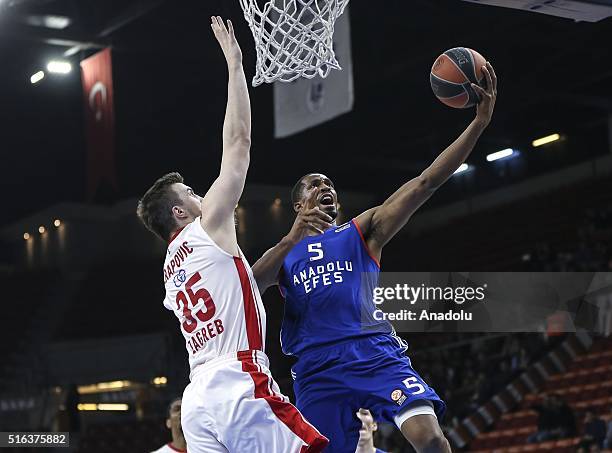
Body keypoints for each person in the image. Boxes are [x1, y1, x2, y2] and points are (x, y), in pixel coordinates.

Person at [253, 63, 497, 452]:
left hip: (371, 352)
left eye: (330, 184)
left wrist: (478, 125)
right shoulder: (285, 252)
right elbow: (249, 285)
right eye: (316, 185)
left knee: (431, 440)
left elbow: (425, 183)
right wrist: (290, 238)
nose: (326, 187)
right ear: (299, 203)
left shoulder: (360, 231)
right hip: (317, 370)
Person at [136, 16, 329, 453]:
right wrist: (236, 64)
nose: (202, 193)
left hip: (197, 399)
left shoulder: (171, 269)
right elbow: (238, 142)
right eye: (191, 192)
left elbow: (243, 286)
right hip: (239, 381)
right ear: (181, 211)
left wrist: (290, 240)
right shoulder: (207, 227)